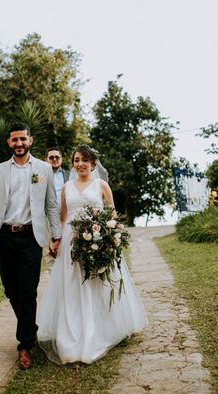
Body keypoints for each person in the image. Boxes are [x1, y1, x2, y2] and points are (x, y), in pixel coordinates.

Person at [37, 145, 147, 366]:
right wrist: (56, 239)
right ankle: (72, 332)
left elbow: (112, 214)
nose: (80, 164)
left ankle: (104, 328)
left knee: (99, 282)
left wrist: (109, 237)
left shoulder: (101, 185)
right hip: (71, 241)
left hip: (99, 240)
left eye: (84, 160)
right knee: (72, 285)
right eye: (77, 160)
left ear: (93, 164)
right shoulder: (67, 187)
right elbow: (62, 218)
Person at [0, 123, 62, 371]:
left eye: (23, 139)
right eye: (14, 140)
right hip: (5, 237)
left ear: (30, 141)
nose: (19, 143)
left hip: (31, 237)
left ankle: (24, 345)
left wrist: (56, 235)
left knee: (27, 291)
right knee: (11, 290)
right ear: (9, 143)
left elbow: (50, 206)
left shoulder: (44, 168)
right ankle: (31, 330)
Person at [44, 147, 69, 272]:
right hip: (47, 218)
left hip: (66, 217)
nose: (54, 159)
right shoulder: (40, 176)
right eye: (51, 157)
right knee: (50, 252)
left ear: (61, 159)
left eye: (57, 157)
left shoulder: (69, 175)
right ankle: (53, 284)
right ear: (46, 159)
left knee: (68, 248)